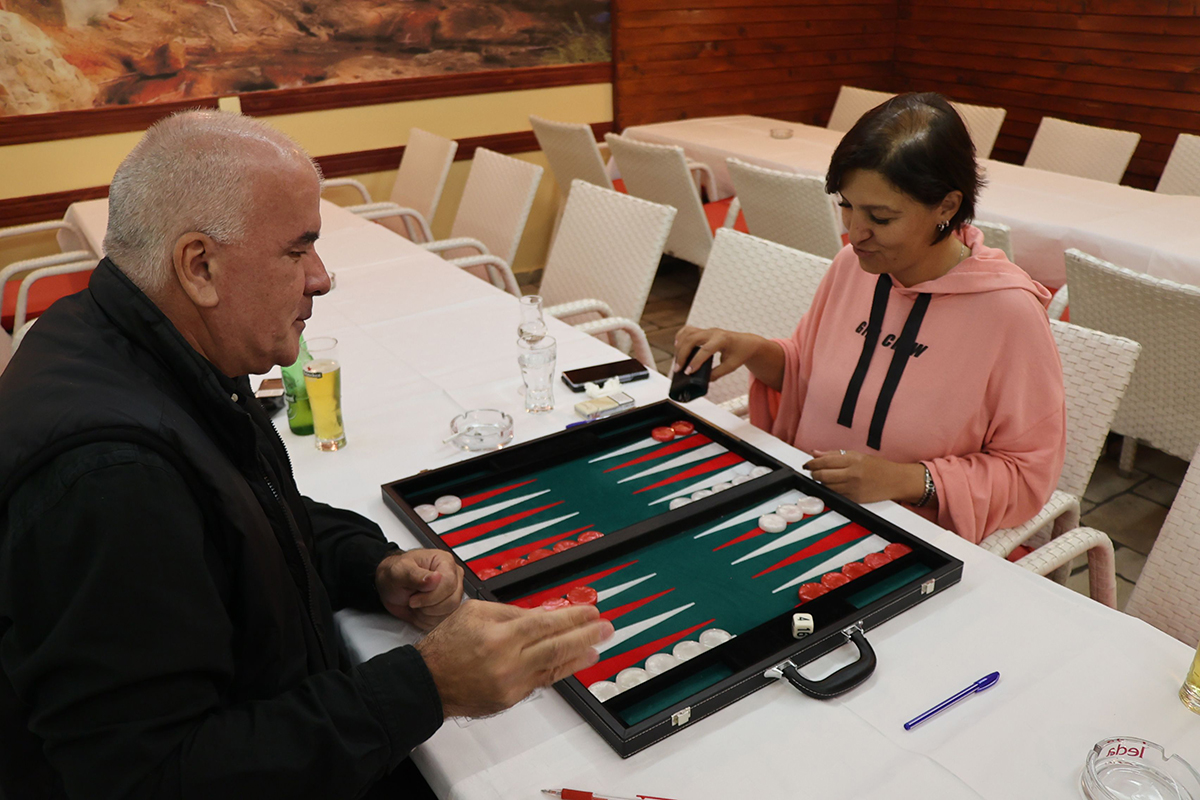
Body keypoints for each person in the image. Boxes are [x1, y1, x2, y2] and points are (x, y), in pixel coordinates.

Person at [0, 111, 612, 800]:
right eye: (298, 252)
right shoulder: (111, 479)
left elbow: (247, 514)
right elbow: (151, 778)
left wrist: (370, 566)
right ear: (200, 266)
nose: (321, 279)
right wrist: (427, 686)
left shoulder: (149, 343)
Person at [675, 93, 1066, 545]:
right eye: (847, 206)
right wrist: (753, 350)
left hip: (911, 534)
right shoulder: (853, 266)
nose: (855, 233)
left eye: (880, 217)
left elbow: (1026, 473)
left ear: (946, 206)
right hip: (801, 499)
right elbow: (811, 378)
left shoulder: (1007, 312)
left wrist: (906, 480)